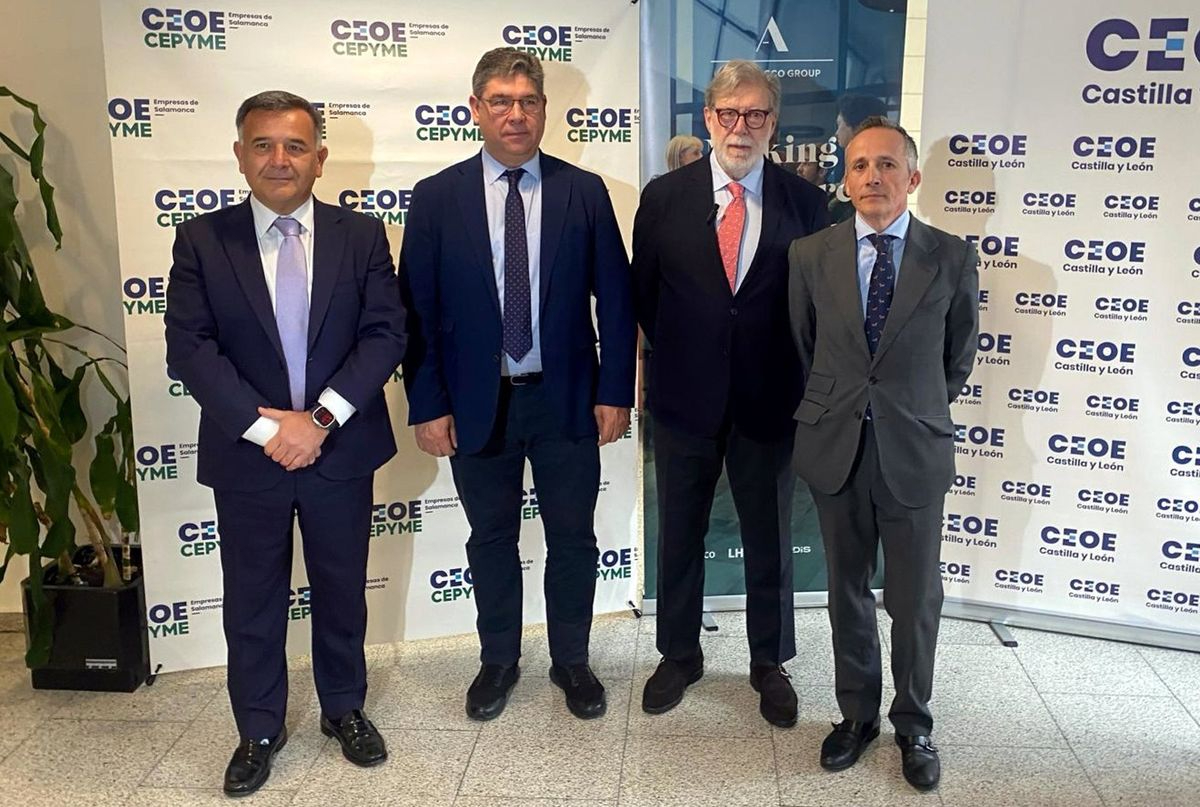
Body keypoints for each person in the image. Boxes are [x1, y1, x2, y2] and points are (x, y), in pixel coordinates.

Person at [164, 91, 406, 795]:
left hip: (340, 450)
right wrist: (273, 429)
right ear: (240, 156)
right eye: (263, 145)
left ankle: (344, 708)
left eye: (295, 146)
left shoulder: (362, 236)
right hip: (249, 456)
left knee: (341, 589)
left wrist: (318, 421)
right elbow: (191, 349)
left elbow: (385, 333)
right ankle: (258, 728)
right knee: (252, 599)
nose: (280, 159)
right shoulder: (202, 240)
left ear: (319, 159)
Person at [398, 47, 635, 723]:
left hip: (566, 400)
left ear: (544, 110)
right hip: (478, 404)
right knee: (491, 539)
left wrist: (615, 391)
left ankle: (572, 661)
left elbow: (617, 301)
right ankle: (498, 660)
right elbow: (416, 313)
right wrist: (427, 402)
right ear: (476, 109)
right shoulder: (437, 197)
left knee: (574, 539)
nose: (515, 114)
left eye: (528, 101)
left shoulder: (582, 192)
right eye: (500, 101)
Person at [631, 60, 828, 728]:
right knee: (679, 532)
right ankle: (679, 654)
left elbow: (814, 306)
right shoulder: (664, 197)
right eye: (729, 113)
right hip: (685, 399)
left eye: (756, 114)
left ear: (773, 123)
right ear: (709, 119)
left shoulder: (805, 203)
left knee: (769, 536)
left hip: (770, 400)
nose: (741, 127)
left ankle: (769, 661)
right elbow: (647, 297)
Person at [787, 116, 979, 791]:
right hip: (836, 446)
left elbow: (957, 357)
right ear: (845, 179)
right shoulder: (809, 255)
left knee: (915, 595)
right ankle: (857, 715)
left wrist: (907, 408)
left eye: (888, 164)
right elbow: (805, 347)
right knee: (845, 590)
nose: (873, 176)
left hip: (914, 450)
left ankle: (914, 724)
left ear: (913, 177)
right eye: (860, 165)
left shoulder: (951, 257)